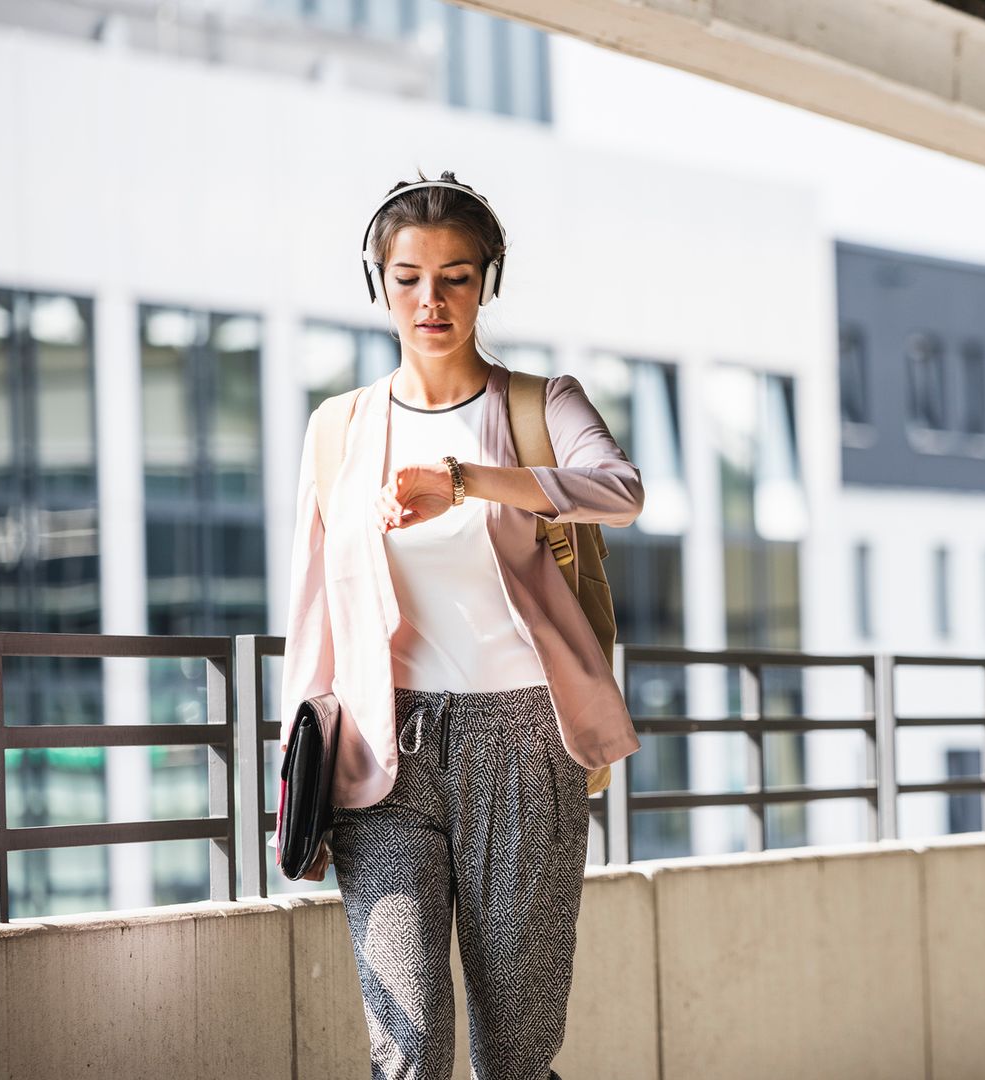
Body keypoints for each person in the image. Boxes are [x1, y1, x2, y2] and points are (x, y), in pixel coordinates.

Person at [279, 170, 644, 1080]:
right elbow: (313, 611)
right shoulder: (339, 430)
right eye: (408, 276)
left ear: (488, 282)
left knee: (515, 1055)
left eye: (456, 275)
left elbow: (621, 492)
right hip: (381, 748)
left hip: (526, 739)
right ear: (379, 282)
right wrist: (299, 780)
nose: (430, 299)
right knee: (407, 1051)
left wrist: (469, 480)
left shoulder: (536, 406)